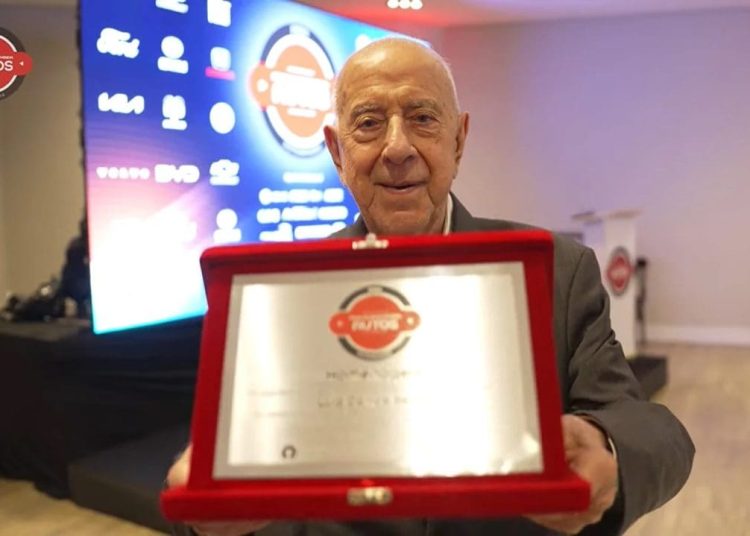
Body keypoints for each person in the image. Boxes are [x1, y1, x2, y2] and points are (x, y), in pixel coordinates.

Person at [168, 38, 694, 535]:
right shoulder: (281, 296)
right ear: (336, 152)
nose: (398, 148)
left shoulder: (558, 269)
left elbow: (649, 429)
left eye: (422, 118)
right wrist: (208, 510)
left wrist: (603, 446)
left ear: (458, 141)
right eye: (369, 123)